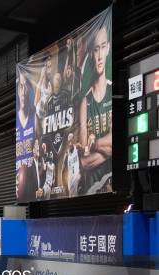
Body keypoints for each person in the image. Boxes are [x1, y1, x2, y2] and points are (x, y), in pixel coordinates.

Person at [78, 23, 112, 195]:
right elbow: (83, 161)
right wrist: (109, 150)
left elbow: (116, 143)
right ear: (91, 53)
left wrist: (96, 143)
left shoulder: (113, 92)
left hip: (114, 182)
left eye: (103, 47)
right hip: (91, 188)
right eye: (96, 49)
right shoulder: (85, 102)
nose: (99, 55)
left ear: (108, 48)